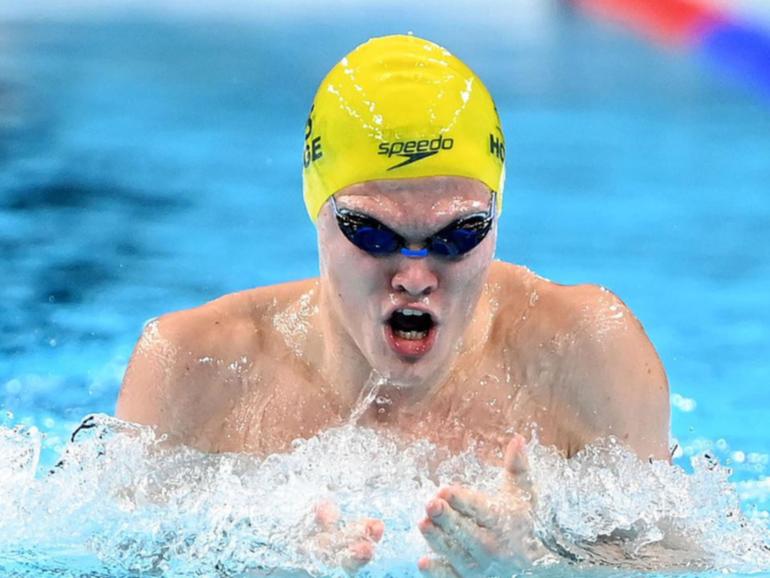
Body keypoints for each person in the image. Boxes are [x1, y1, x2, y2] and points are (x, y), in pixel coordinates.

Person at [116, 34, 670, 577]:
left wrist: (545, 564)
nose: (413, 277)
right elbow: (99, 559)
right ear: (319, 214)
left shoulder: (585, 352)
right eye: (373, 234)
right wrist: (245, 565)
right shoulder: (195, 369)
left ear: (496, 219)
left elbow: (693, 562)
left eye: (458, 234)